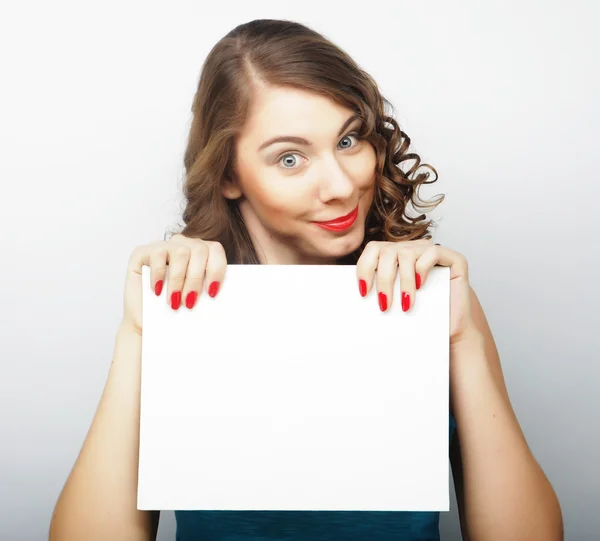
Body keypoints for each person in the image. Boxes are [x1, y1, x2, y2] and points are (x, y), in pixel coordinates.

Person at [49, 19, 563, 541]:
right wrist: (140, 331)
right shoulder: (180, 306)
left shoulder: (435, 300)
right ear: (229, 174)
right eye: (290, 159)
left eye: (348, 139)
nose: (341, 186)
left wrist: (461, 339)